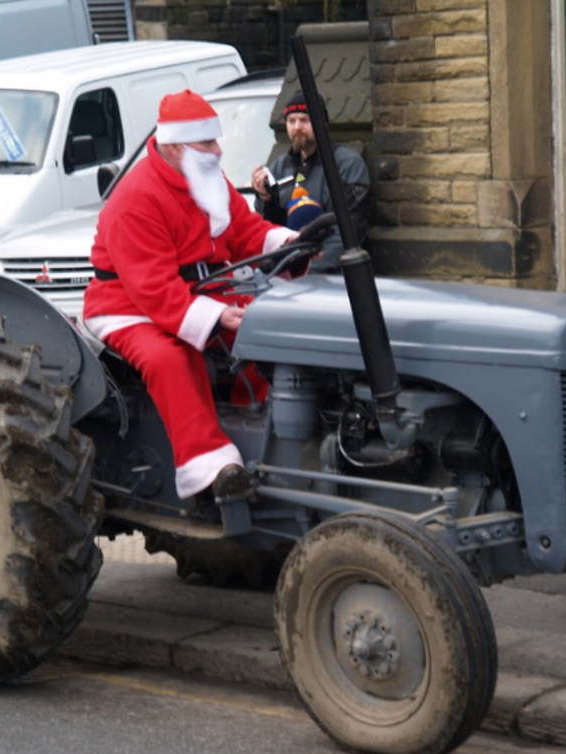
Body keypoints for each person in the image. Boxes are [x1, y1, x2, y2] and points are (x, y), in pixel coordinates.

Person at [82, 90, 295, 500]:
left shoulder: (207, 180)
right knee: (171, 358)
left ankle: (261, 427)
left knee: (269, 330)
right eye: (206, 143)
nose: (217, 150)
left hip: (201, 294)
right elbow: (152, 286)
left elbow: (245, 231)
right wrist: (213, 316)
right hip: (127, 307)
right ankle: (210, 465)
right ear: (176, 147)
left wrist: (290, 243)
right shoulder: (135, 198)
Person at [251, 90, 370, 272]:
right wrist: (266, 200)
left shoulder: (347, 165)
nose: (297, 126)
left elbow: (349, 230)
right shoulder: (278, 167)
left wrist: (307, 269)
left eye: (304, 120)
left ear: (321, 123)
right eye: (291, 121)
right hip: (286, 272)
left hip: (331, 276)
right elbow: (268, 228)